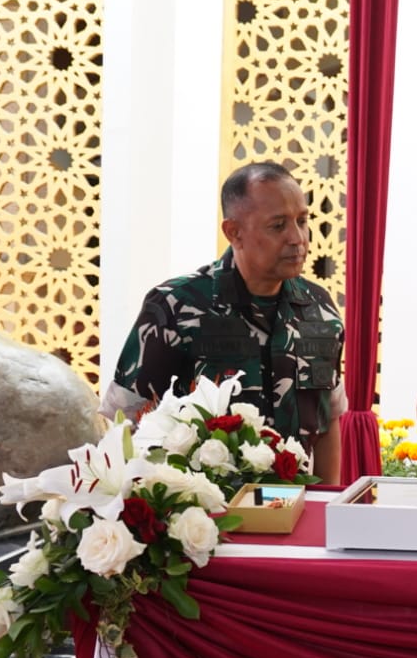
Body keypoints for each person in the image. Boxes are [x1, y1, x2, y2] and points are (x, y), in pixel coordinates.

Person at [100, 161, 346, 482]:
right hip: (205, 518)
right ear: (234, 232)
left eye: (302, 221)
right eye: (278, 225)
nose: (297, 238)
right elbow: (127, 421)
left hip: (290, 510)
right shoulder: (174, 306)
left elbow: (328, 425)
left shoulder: (320, 310)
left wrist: (326, 511)